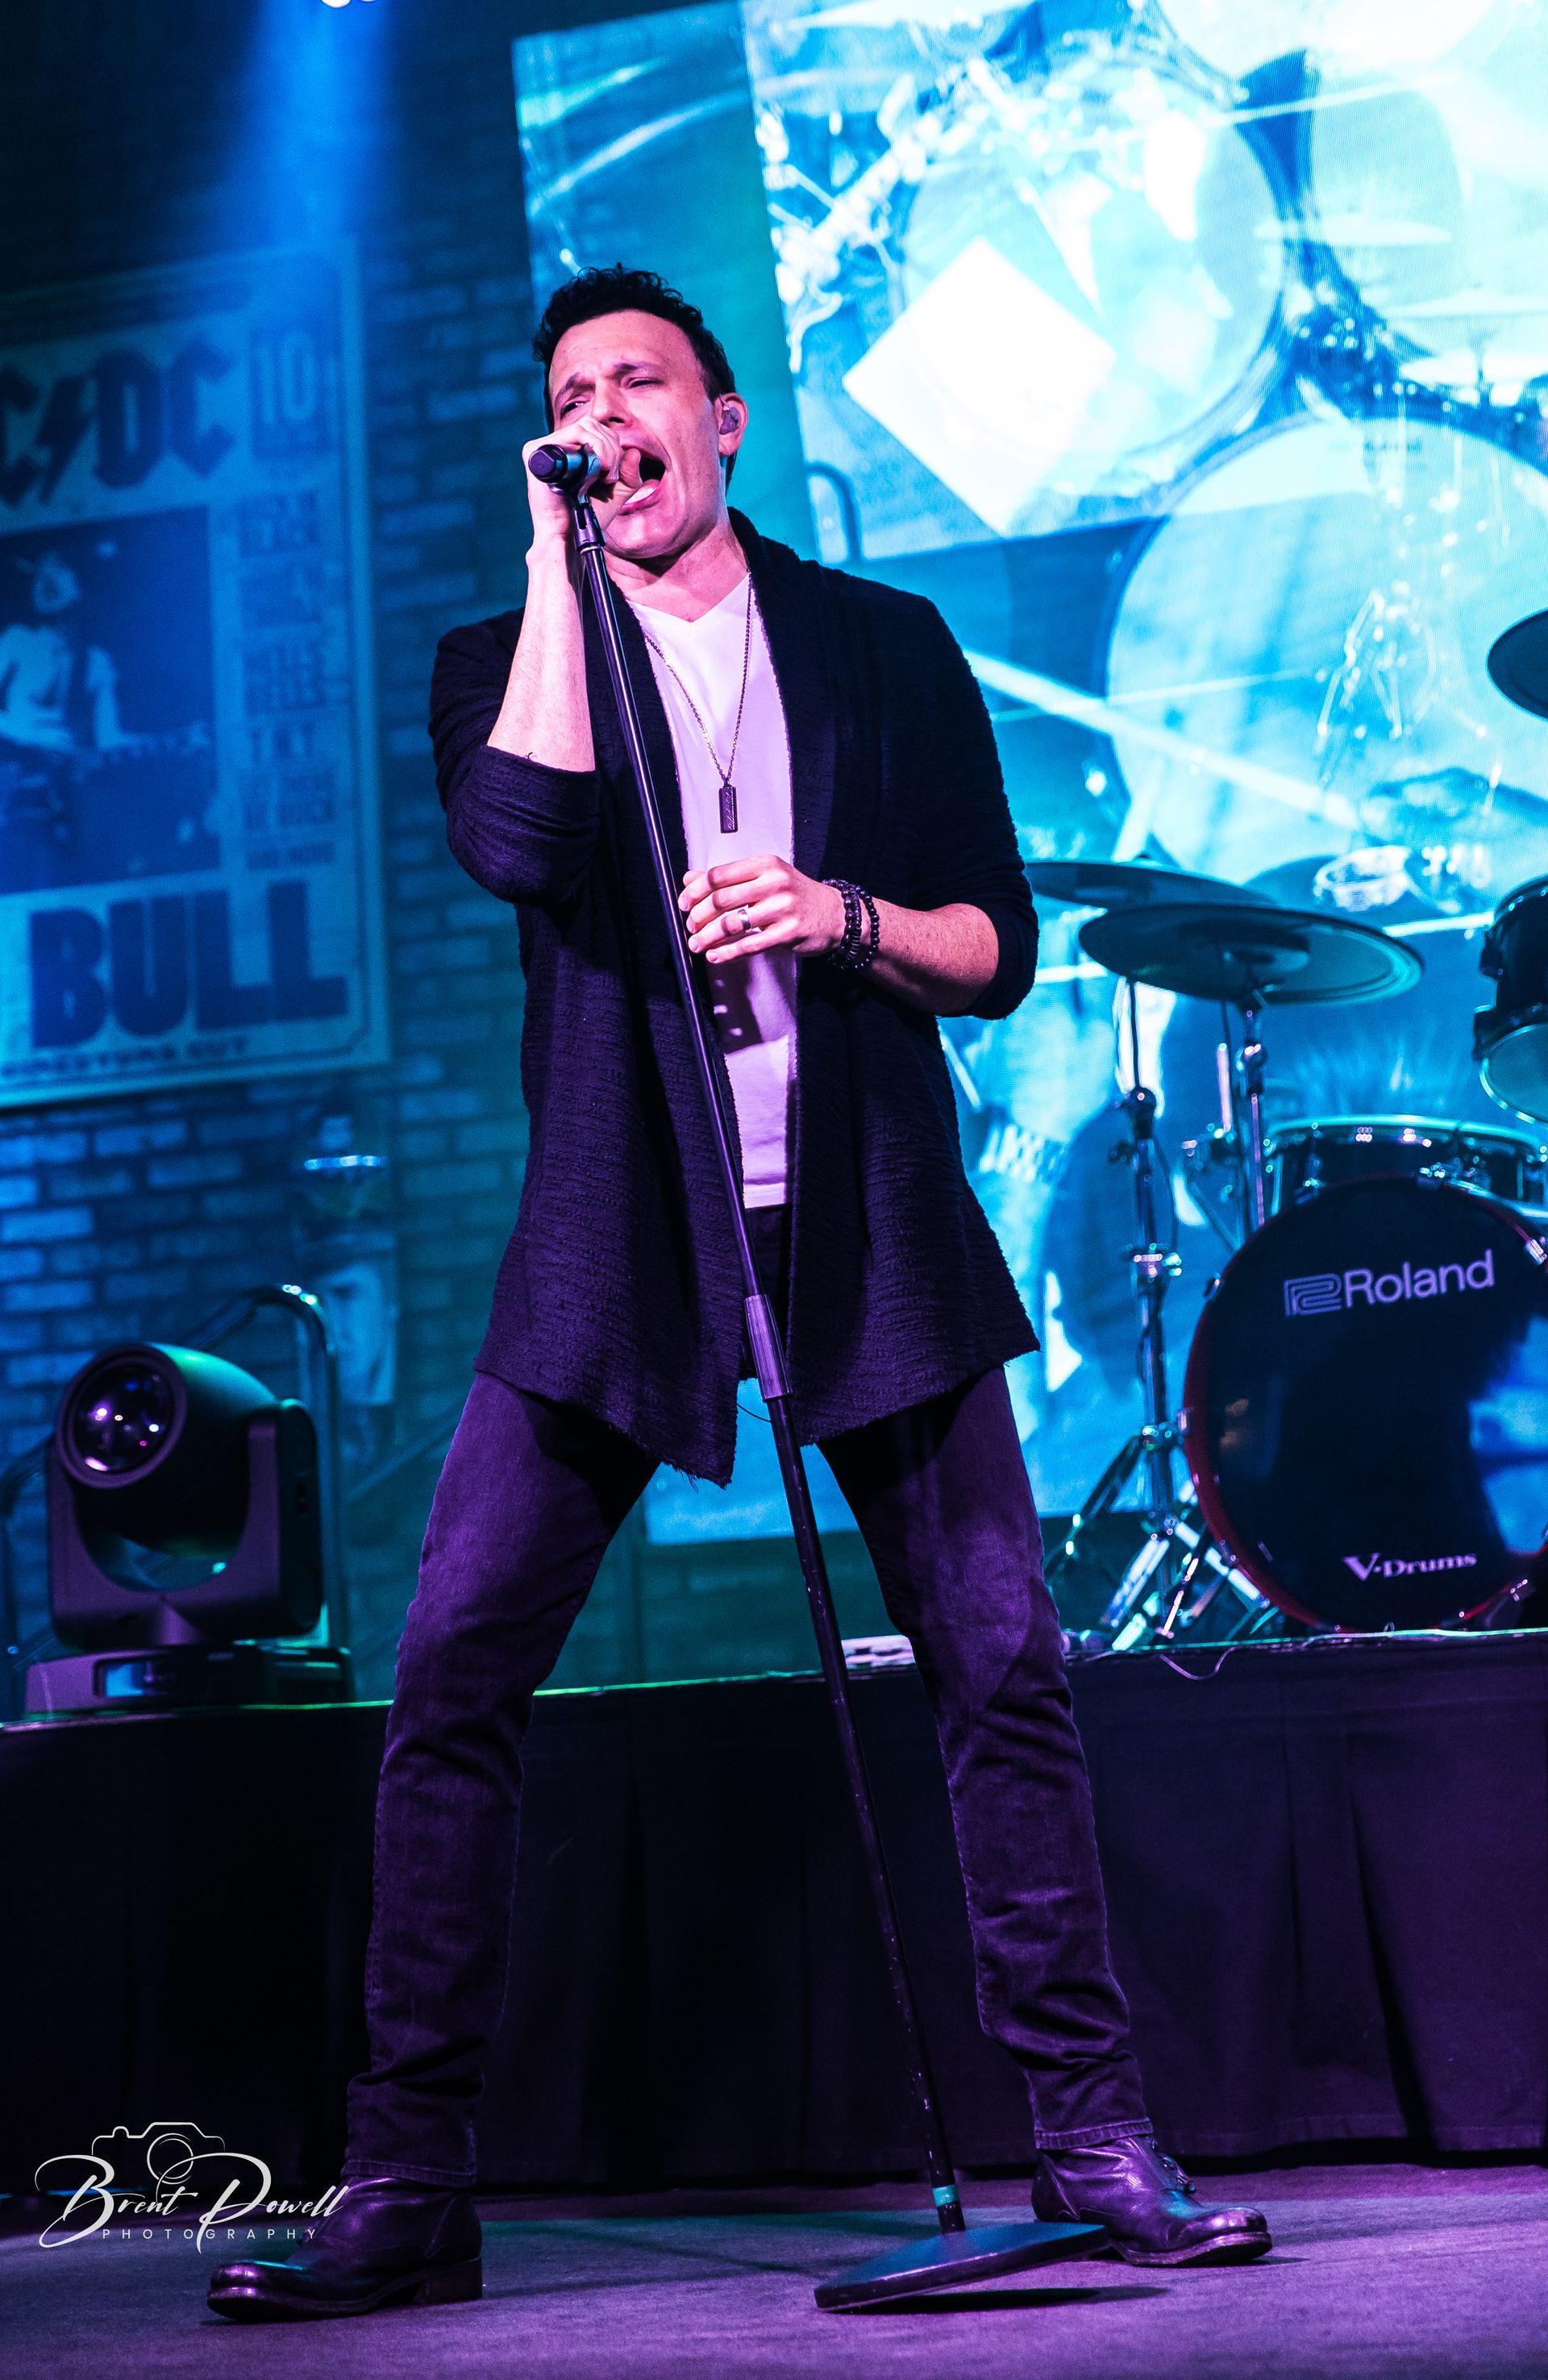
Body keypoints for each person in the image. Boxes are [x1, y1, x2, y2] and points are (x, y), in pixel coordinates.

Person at [208, 265, 1270, 2323]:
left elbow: (1000, 945)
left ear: (722, 419)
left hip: (868, 1225)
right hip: (623, 1248)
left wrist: (834, 911)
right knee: (450, 1682)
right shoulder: (505, 657)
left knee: (1000, 1669)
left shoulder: (879, 646)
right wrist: (547, 553)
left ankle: (1094, 2135)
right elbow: (517, 844)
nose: (606, 417)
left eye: (639, 386)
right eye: (573, 397)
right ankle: (409, 2181)